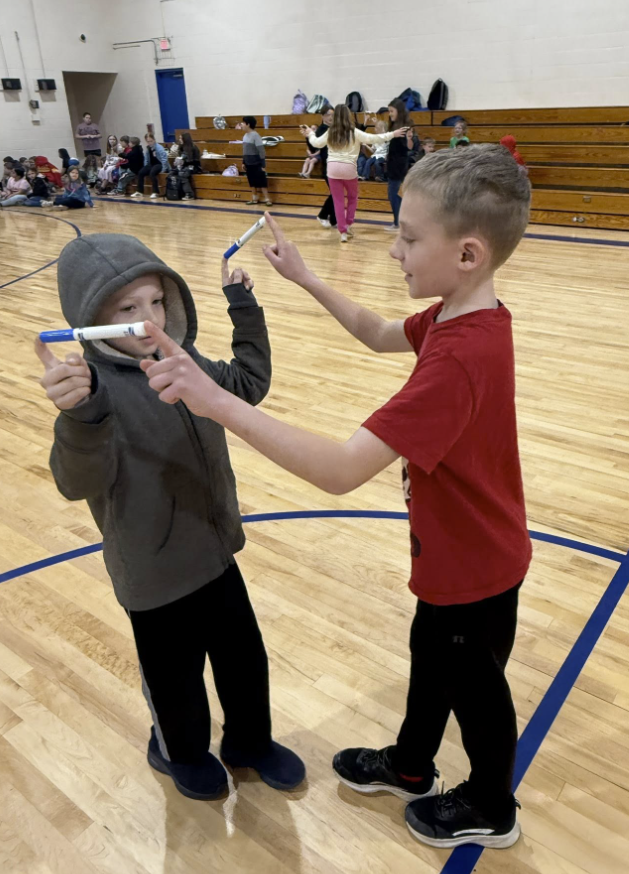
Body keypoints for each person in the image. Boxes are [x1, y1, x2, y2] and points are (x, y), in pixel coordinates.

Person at [138, 143, 533, 850]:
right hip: (457, 555)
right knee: (432, 660)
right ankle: (412, 767)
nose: (394, 251)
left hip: (476, 566)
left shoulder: (458, 360)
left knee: (475, 690)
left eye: (409, 238)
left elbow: (342, 470)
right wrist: (306, 279)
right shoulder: (458, 317)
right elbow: (381, 333)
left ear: (467, 254)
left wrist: (214, 401)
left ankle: (489, 802)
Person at [35, 233, 306, 801]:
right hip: (152, 576)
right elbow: (73, 482)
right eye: (127, 309)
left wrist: (244, 308)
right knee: (175, 682)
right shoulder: (93, 391)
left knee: (245, 661)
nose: (148, 320)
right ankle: (178, 750)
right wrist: (80, 417)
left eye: (157, 302)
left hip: (214, 552)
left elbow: (248, 387)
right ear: (89, 319)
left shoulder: (181, 360)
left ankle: (250, 742)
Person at [304, 104, 407, 242]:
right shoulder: (353, 131)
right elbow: (373, 138)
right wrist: (393, 134)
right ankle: (348, 224)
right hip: (349, 169)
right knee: (352, 197)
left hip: (332, 169)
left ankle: (343, 233)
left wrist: (310, 133)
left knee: (338, 201)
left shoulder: (331, 132)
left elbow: (316, 143)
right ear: (348, 115)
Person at [385, 98, 414, 231]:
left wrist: (409, 139)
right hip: (392, 162)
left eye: (392, 111)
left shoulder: (405, 127)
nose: (390, 113)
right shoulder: (394, 125)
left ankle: (399, 222)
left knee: (392, 194)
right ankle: (403, 218)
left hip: (399, 164)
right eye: (389, 111)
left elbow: (409, 147)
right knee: (392, 193)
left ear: (399, 111)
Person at [314, 105, 337, 229]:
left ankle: (334, 220)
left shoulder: (332, 129)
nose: (331, 117)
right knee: (335, 193)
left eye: (333, 115)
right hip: (328, 167)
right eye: (328, 115)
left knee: (336, 193)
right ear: (322, 116)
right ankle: (322, 215)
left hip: (336, 166)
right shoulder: (321, 130)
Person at [241, 116, 272, 206]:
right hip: (248, 163)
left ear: (248, 124)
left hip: (256, 162)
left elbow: (261, 150)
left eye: (243, 123)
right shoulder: (245, 136)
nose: (241, 125)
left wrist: (263, 165)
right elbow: (245, 151)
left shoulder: (255, 135)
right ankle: (255, 198)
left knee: (262, 181)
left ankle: (267, 199)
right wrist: (243, 161)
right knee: (252, 181)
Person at [131, 133, 169, 200]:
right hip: (151, 164)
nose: (150, 143)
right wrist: (145, 167)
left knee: (152, 173)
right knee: (140, 172)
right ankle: (139, 191)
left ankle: (155, 192)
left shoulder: (159, 148)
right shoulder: (148, 148)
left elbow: (164, 160)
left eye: (151, 141)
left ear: (154, 140)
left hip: (159, 164)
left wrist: (164, 169)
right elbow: (146, 158)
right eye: (148, 141)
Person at [169, 132, 201, 200]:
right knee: (172, 172)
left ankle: (189, 194)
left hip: (194, 166)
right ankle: (176, 192)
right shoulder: (181, 147)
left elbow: (195, 160)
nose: (180, 140)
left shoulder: (193, 147)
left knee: (183, 174)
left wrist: (184, 161)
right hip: (184, 166)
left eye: (181, 138)